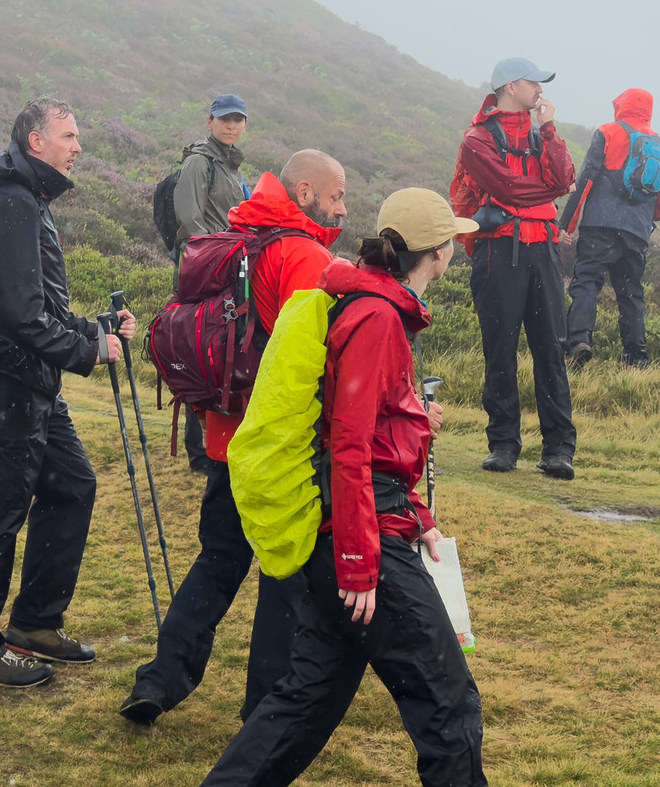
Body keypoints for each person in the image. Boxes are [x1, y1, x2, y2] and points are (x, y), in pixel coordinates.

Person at [198, 188, 487, 787]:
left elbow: (364, 439)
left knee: (306, 702)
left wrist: (417, 515)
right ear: (440, 252)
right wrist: (359, 563)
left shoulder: (362, 301)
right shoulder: (379, 318)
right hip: (361, 541)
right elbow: (349, 448)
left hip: (350, 528)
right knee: (449, 703)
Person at [120, 149, 347, 726]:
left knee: (219, 560)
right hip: (282, 448)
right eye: (336, 196)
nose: (343, 208)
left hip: (226, 439)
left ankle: (159, 678)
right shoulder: (305, 256)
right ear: (304, 193)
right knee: (285, 574)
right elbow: (320, 361)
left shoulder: (236, 240)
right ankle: (267, 709)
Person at [0, 98, 136, 687]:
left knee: (72, 486)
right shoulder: (12, 201)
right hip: (9, 381)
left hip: (32, 380)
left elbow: (44, 308)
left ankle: (34, 623)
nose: (77, 146)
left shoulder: (28, 199)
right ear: (36, 142)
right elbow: (19, 315)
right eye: (69, 135)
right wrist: (88, 351)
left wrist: (97, 330)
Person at [454, 57, 577, 479]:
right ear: (510, 86)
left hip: (543, 249)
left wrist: (549, 131)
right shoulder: (476, 139)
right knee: (500, 351)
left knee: (551, 348)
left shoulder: (542, 133)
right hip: (496, 251)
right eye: (534, 83)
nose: (540, 90)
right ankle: (503, 445)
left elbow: (564, 176)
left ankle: (559, 450)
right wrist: (550, 190)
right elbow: (508, 186)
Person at [561, 88, 660, 368]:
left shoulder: (608, 131)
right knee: (631, 294)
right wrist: (652, 214)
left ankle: (578, 342)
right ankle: (637, 358)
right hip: (637, 231)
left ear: (622, 106)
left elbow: (586, 179)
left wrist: (567, 223)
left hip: (600, 224)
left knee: (587, 282)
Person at [173, 93, 251, 473]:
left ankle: (214, 442)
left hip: (227, 268)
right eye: (224, 120)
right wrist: (214, 260)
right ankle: (199, 451)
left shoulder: (233, 166)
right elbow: (190, 221)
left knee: (219, 354)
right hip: (206, 269)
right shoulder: (199, 162)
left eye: (238, 120)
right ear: (210, 122)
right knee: (201, 352)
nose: (231, 126)